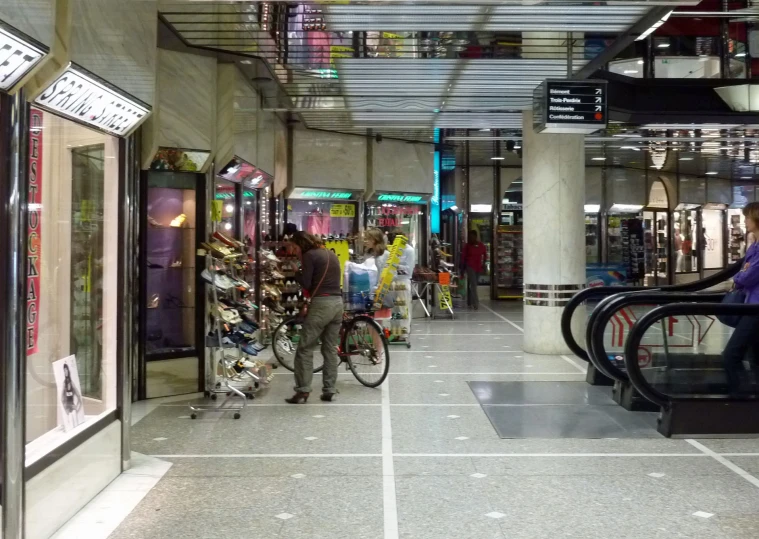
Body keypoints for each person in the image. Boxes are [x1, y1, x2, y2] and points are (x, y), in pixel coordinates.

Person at [285, 232, 344, 404]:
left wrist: (296, 272)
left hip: (321, 304)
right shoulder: (330, 253)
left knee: (304, 348)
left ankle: (303, 391)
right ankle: (329, 389)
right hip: (337, 303)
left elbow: (307, 283)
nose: (295, 252)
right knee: (330, 349)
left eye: (295, 248)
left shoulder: (309, 255)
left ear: (301, 245)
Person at [724, 202, 759, 396]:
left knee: (731, 355)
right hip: (751, 304)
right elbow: (744, 270)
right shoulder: (754, 246)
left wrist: (738, 279)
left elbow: (747, 276)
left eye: (747, 217)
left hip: (756, 308)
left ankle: (740, 397)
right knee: (754, 355)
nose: (745, 221)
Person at [461, 230, 487, 310]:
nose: (471, 238)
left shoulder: (481, 245)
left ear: (476, 237)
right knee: (473, 285)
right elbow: (463, 257)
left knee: (472, 285)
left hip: (478, 267)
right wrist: (462, 268)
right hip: (470, 266)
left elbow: (485, 255)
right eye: (470, 237)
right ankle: (476, 303)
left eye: (473, 237)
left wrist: (484, 264)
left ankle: (470, 301)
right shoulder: (467, 246)